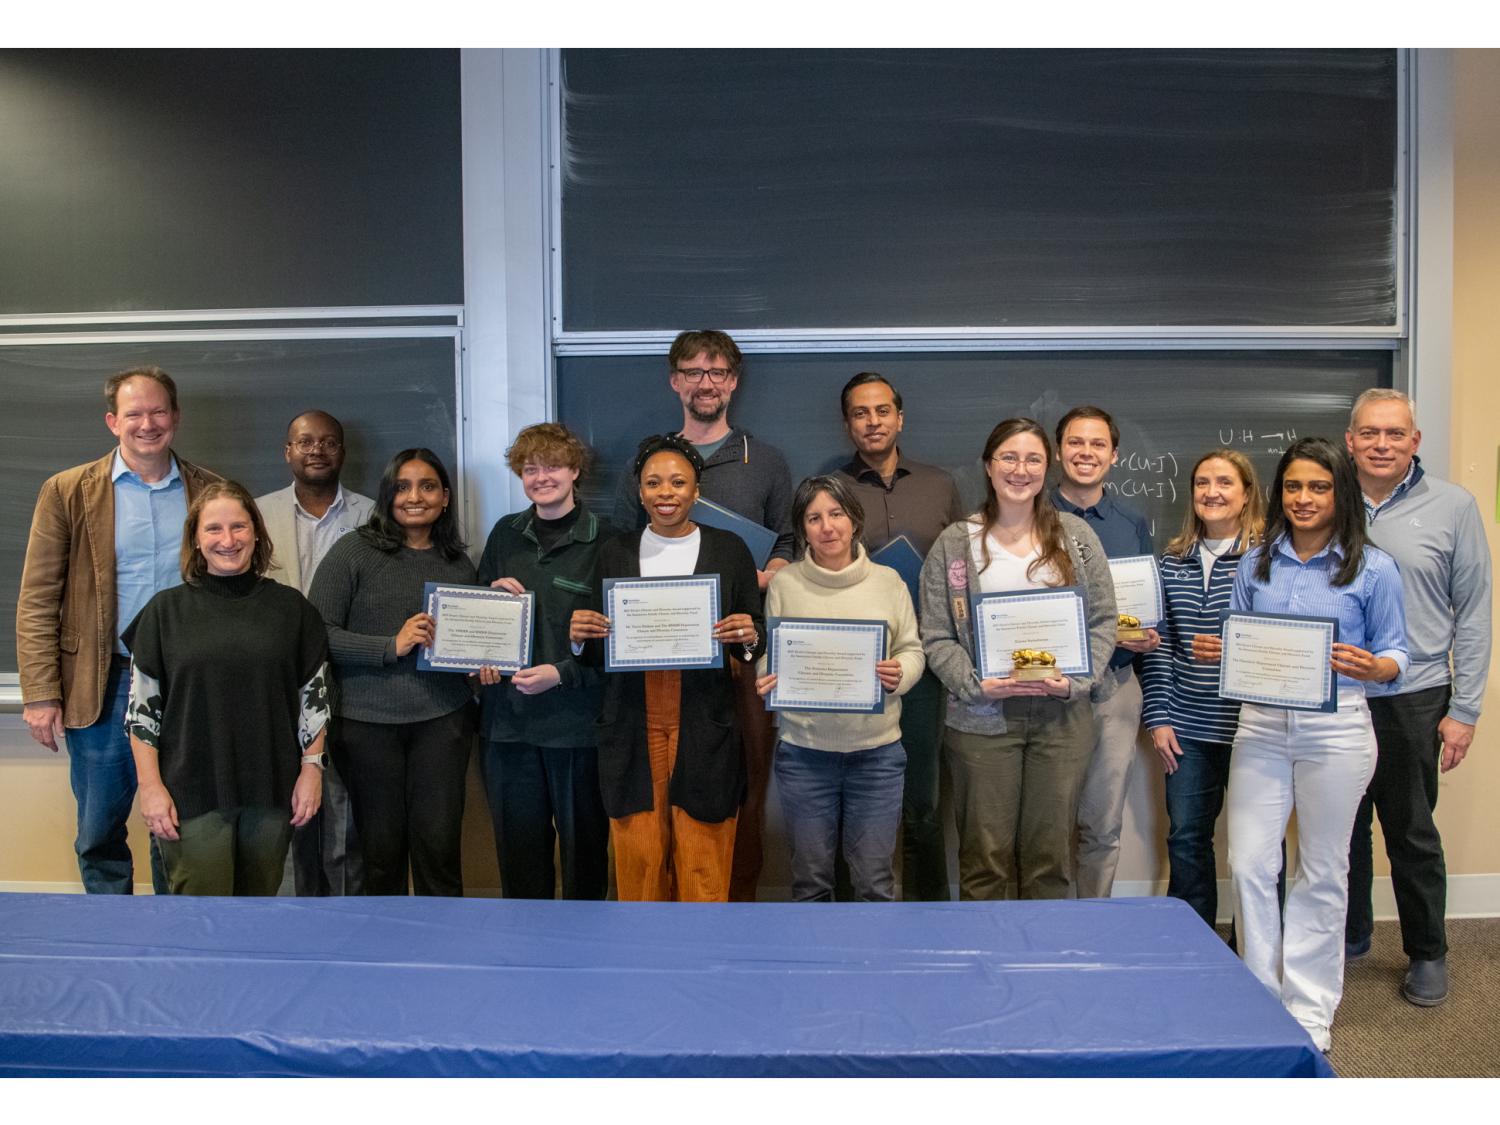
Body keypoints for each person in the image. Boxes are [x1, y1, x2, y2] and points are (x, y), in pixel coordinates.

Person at [1226, 436, 1408, 1053]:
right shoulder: (1256, 563)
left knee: (1322, 870)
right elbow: (1242, 643)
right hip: (1261, 727)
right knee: (1249, 862)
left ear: (1341, 494)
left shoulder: (1374, 568)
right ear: (1280, 493)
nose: (1304, 499)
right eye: (1294, 486)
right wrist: (1226, 654)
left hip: (1337, 731)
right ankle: (1258, 998)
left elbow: (1397, 653)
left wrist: (1374, 667)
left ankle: (1308, 1008)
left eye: (1320, 487)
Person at [17, 366, 219, 894]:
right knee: (99, 827)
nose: (147, 424)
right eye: (134, 413)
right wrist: (40, 693)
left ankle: (171, 936)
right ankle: (113, 938)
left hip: (187, 683)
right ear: (113, 421)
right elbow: (38, 599)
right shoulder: (66, 492)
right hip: (101, 681)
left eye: (158, 412)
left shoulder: (212, 492)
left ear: (175, 417)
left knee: (179, 823)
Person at [613, 330, 793, 901]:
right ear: (675, 381)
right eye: (693, 372)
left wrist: (765, 573)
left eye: (717, 373)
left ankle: (727, 907)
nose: (705, 383)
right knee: (647, 808)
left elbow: (788, 537)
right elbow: (622, 545)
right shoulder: (648, 455)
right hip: (646, 668)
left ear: (733, 381)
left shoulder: (763, 460)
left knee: (730, 789)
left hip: (729, 662)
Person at [919, 418, 1117, 900]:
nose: (1020, 469)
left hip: (1062, 719)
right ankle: (985, 968)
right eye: (1008, 457)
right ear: (989, 466)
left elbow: (1104, 620)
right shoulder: (955, 543)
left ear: (1046, 467)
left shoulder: (1077, 539)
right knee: (984, 859)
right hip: (982, 721)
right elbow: (936, 633)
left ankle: (1040, 970)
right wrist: (974, 684)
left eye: (1032, 458)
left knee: (1050, 860)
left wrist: (1076, 681)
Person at [1343, 389, 1492, 1007]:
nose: (1382, 445)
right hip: (1339, 691)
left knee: (1411, 831)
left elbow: (1475, 613)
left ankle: (1428, 952)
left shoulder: (1454, 506)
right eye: (1370, 433)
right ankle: (1349, 935)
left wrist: (1465, 711)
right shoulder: (1322, 499)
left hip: (1416, 693)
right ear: (1349, 439)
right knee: (1340, 828)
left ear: (1415, 441)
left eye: (1395, 434)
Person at [573, 434, 764, 902]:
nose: (665, 492)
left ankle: (702, 962)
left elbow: (750, 634)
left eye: (678, 482)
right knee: (639, 856)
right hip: (632, 718)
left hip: (705, 714)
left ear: (695, 491)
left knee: (704, 854)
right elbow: (599, 649)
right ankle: (642, 965)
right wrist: (579, 639)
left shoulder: (729, 549)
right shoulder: (614, 552)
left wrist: (749, 634)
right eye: (653, 482)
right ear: (639, 492)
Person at [122, 481, 329, 895]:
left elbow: (316, 698)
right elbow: (142, 712)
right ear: (196, 540)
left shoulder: (293, 610)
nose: (228, 540)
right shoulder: (164, 612)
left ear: (256, 532)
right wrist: (150, 788)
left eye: (238, 526)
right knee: (202, 920)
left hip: (271, 791)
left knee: (257, 917)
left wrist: (312, 770)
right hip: (190, 793)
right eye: (213, 529)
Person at [308, 448, 477, 897]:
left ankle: (443, 958)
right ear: (387, 496)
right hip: (366, 727)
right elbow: (315, 636)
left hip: (444, 722)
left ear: (445, 497)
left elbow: (471, 645)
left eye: (427, 486)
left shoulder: (459, 563)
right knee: (380, 855)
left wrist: (486, 664)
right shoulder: (353, 551)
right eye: (401, 487)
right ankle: (385, 955)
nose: (414, 497)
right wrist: (390, 646)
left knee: (439, 849)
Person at [755, 475, 926, 902]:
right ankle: (817, 968)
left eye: (836, 514)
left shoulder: (889, 582)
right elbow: (772, 651)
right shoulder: (785, 584)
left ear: (854, 520)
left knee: (874, 882)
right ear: (802, 528)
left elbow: (913, 650)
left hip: (877, 756)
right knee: (811, 882)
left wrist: (900, 672)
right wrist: (767, 676)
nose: (827, 527)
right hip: (804, 754)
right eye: (814, 518)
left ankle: (872, 968)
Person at [834, 372, 963, 901]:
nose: (873, 421)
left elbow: (962, 570)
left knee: (923, 803)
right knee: (854, 803)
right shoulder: (831, 489)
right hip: (854, 668)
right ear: (848, 424)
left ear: (900, 417)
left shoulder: (940, 485)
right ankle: (849, 919)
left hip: (927, 665)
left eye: (882, 410)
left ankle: (927, 916)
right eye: (861, 413)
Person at [474, 423, 610, 900]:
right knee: (519, 858)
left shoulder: (608, 541)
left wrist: (562, 674)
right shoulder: (504, 535)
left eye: (552, 466)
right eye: (530, 469)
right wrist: (486, 605)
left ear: (575, 471)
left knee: (586, 856)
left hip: (578, 728)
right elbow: (476, 625)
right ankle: (524, 957)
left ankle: (584, 958)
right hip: (507, 725)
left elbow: (619, 643)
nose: (541, 477)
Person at [1140, 449, 1265, 929]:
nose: (1212, 492)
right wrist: (1158, 716)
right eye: (1202, 483)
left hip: (1255, 727)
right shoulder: (1171, 563)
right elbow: (1159, 646)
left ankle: (1256, 949)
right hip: (1187, 727)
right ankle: (1193, 940)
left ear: (1247, 493)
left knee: (1257, 845)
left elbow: (1283, 646)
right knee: (1187, 837)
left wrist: (1232, 651)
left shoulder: (1271, 561)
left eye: (1225, 483)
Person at [256, 410, 375, 897]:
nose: (317, 450)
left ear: (342, 452)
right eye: (305, 441)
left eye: (329, 442)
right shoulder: (254, 516)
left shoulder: (373, 516)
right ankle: (292, 919)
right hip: (275, 691)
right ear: (287, 451)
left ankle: (345, 919)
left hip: (354, 685)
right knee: (287, 815)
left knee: (345, 819)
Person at [1049, 405, 1159, 900]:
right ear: (1058, 451)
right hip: (1048, 693)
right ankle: (1046, 926)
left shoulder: (1131, 523)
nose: (1085, 453)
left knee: (1102, 823)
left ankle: (1094, 923)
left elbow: (1143, 604)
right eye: (1076, 443)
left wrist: (1146, 634)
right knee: (1046, 825)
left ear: (1114, 456)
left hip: (1115, 690)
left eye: (1097, 445)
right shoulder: (1030, 517)